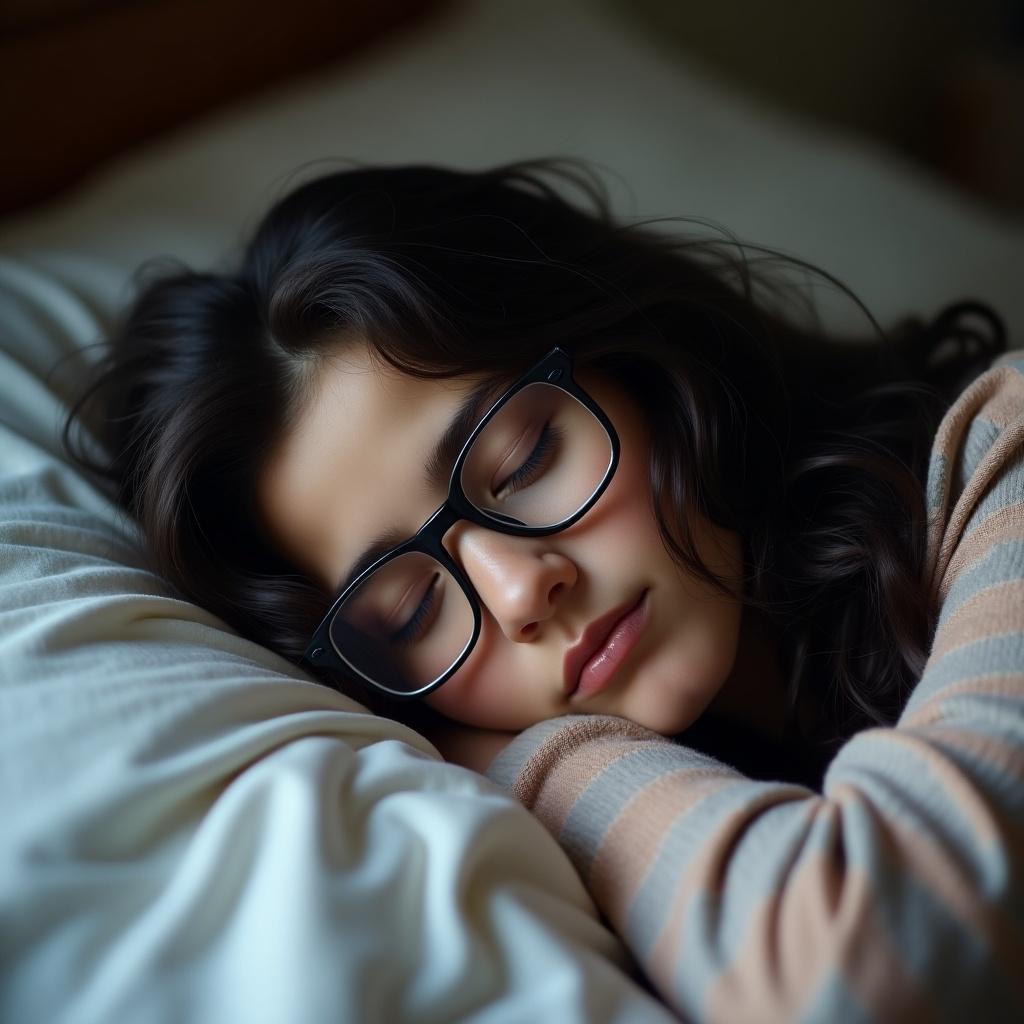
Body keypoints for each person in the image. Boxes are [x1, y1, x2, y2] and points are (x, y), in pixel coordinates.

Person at [66, 160, 1023, 1020]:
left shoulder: (1002, 452)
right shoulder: (541, 888)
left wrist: (530, 759)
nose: (523, 590)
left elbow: (870, 963)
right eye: (411, 608)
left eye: (523, 460)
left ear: (640, 364)